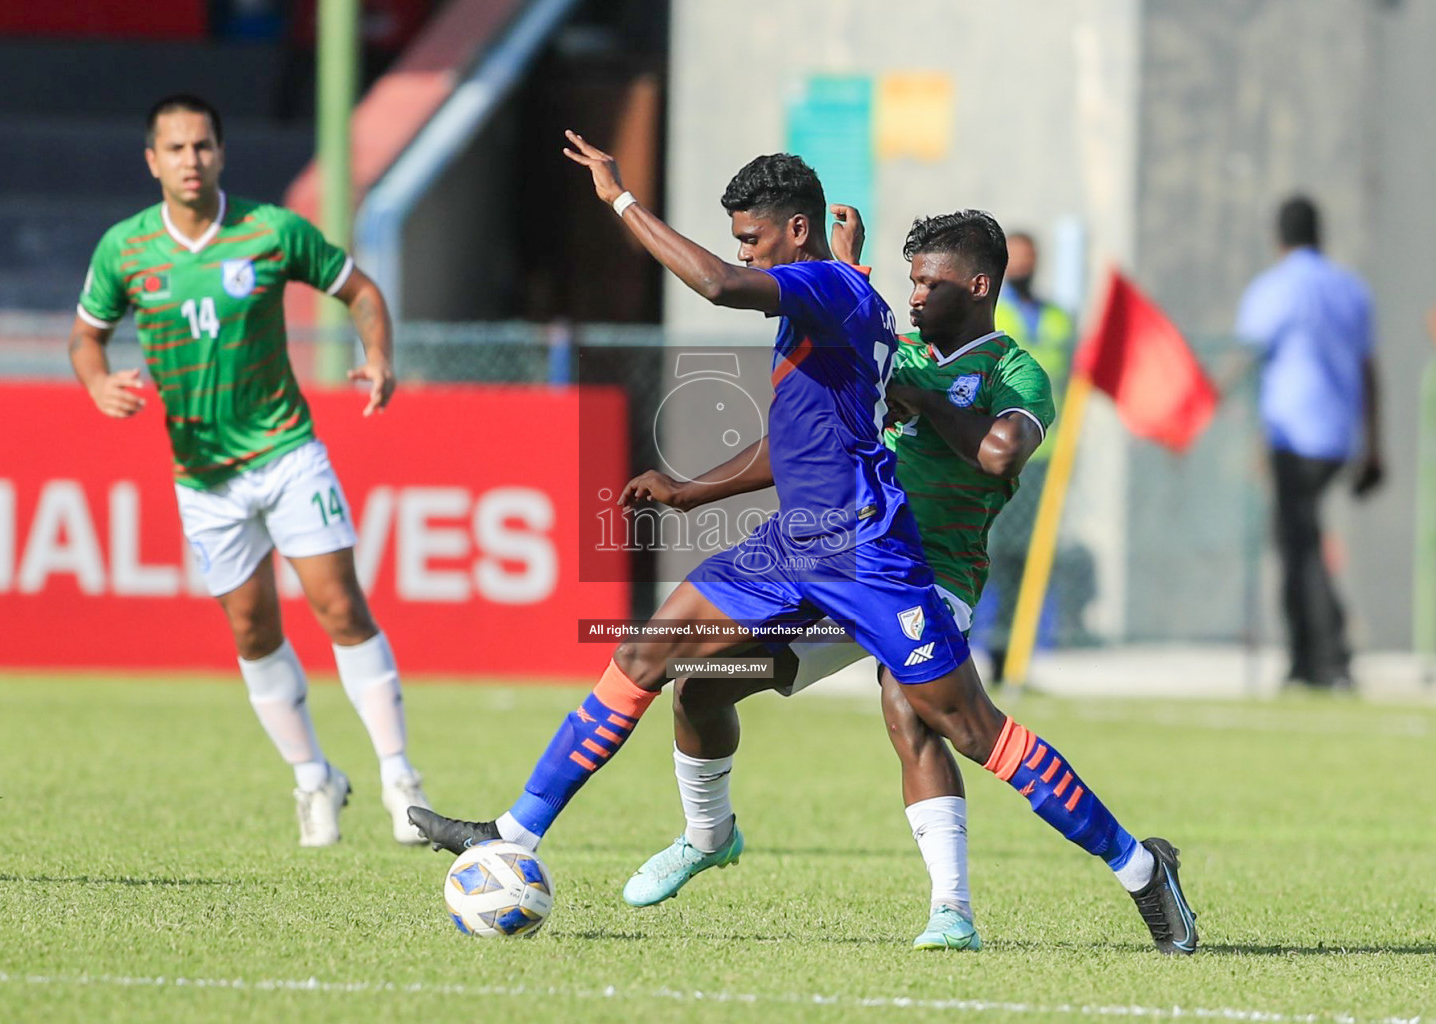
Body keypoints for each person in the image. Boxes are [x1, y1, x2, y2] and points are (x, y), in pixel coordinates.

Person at [411, 134, 1199, 955]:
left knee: (964, 728)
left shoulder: (833, 290)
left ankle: (1138, 869)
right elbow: (805, 435)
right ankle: (515, 833)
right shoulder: (845, 292)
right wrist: (690, 489)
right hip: (794, 542)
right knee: (657, 661)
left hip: (871, 555)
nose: (740, 252)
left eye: (751, 237)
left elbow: (717, 285)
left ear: (794, 231)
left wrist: (619, 199)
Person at [611, 204, 1055, 953]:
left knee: (909, 706)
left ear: (978, 286)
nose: (913, 296)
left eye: (929, 283)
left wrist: (929, 404)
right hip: (842, 563)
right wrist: (691, 490)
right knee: (699, 682)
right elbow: (799, 442)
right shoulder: (897, 353)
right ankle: (707, 834)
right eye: (909, 283)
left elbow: (1001, 455)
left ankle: (953, 911)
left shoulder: (1015, 368)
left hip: (934, 572)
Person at [69, 94, 431, 847]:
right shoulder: (126, 250)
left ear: (221, 153)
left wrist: (378, 356)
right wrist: (96, 380)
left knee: (338, 605)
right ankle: (314, 781)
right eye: (175, 149)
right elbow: (85, 336)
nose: (190, 161)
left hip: (287, 450)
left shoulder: (271, 231)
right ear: (152, 161)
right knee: (251, 627)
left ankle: (401, 780)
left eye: (202, 146)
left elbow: (359, 291)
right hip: (203, 477)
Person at [1235, 195, 1384, 691]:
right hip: (1338, 436)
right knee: (1298, 539)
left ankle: (1329, 657)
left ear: (1278, 237)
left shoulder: (1274, 289)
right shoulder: (1352, 289)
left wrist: (1206, 402)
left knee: (1301, 544)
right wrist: (1375, 445)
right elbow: (1369, 370)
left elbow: (1248, 358)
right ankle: (1305, 657)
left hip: (1291, 434)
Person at [986, 231, 1076, 682]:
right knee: (992, 554)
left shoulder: (1060, 318)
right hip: (997, 455)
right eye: (1016, 259)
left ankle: (1013, 657)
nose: (1025, 266)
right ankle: (974, 649)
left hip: (1043, 461)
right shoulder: (991, 313)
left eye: (1030, 258)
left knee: (1028, 559)